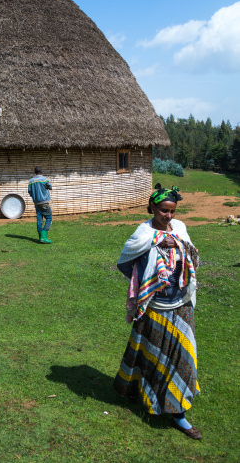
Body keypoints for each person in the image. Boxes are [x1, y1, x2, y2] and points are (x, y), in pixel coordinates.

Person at [113, 184, 201, 439]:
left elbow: (192, 257)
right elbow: (124, 262)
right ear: (152, 207)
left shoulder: (181, 229)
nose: (169, 216)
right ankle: (141, 393)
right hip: (154, 306)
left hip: (181, 304)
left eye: (172, 211)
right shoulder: (142, 234)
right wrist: (144, 285)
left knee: (182, 357)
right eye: (164, 211)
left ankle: (179, 415)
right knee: (151, 354)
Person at [28, 166, 53, 243]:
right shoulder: (44, 179)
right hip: (44, 202)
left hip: (36, 203)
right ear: (41, 172)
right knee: (49, 218)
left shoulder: (31, 181)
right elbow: (50, 187)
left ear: (35, 172)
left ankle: (40, 237)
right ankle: (44, 236)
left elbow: (30, 192)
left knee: (39, 219)